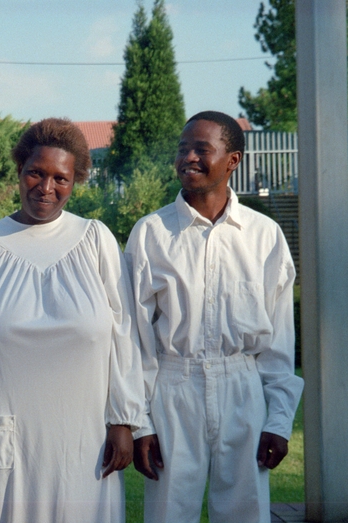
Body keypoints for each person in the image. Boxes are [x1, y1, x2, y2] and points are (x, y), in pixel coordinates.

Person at [0, 118, 147, 523]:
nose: (46, 188)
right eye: (36, 173)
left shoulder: (95, 239)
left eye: (60, 178)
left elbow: (123, 333)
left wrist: (123, 419)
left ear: (76, 180)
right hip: (6, 438)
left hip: (85, 439)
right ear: (19, 171)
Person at [126, 111, 304, 523]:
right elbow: (133, 337)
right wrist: (139, 423)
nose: (188, 157)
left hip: (243, 390)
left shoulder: (263, 236)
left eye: (202, 149)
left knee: (246, 513)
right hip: (173, 389)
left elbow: (278, 340)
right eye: (183, 148)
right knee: (169, 513)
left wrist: (278, 419)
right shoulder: (151, 233)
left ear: (233, 160)